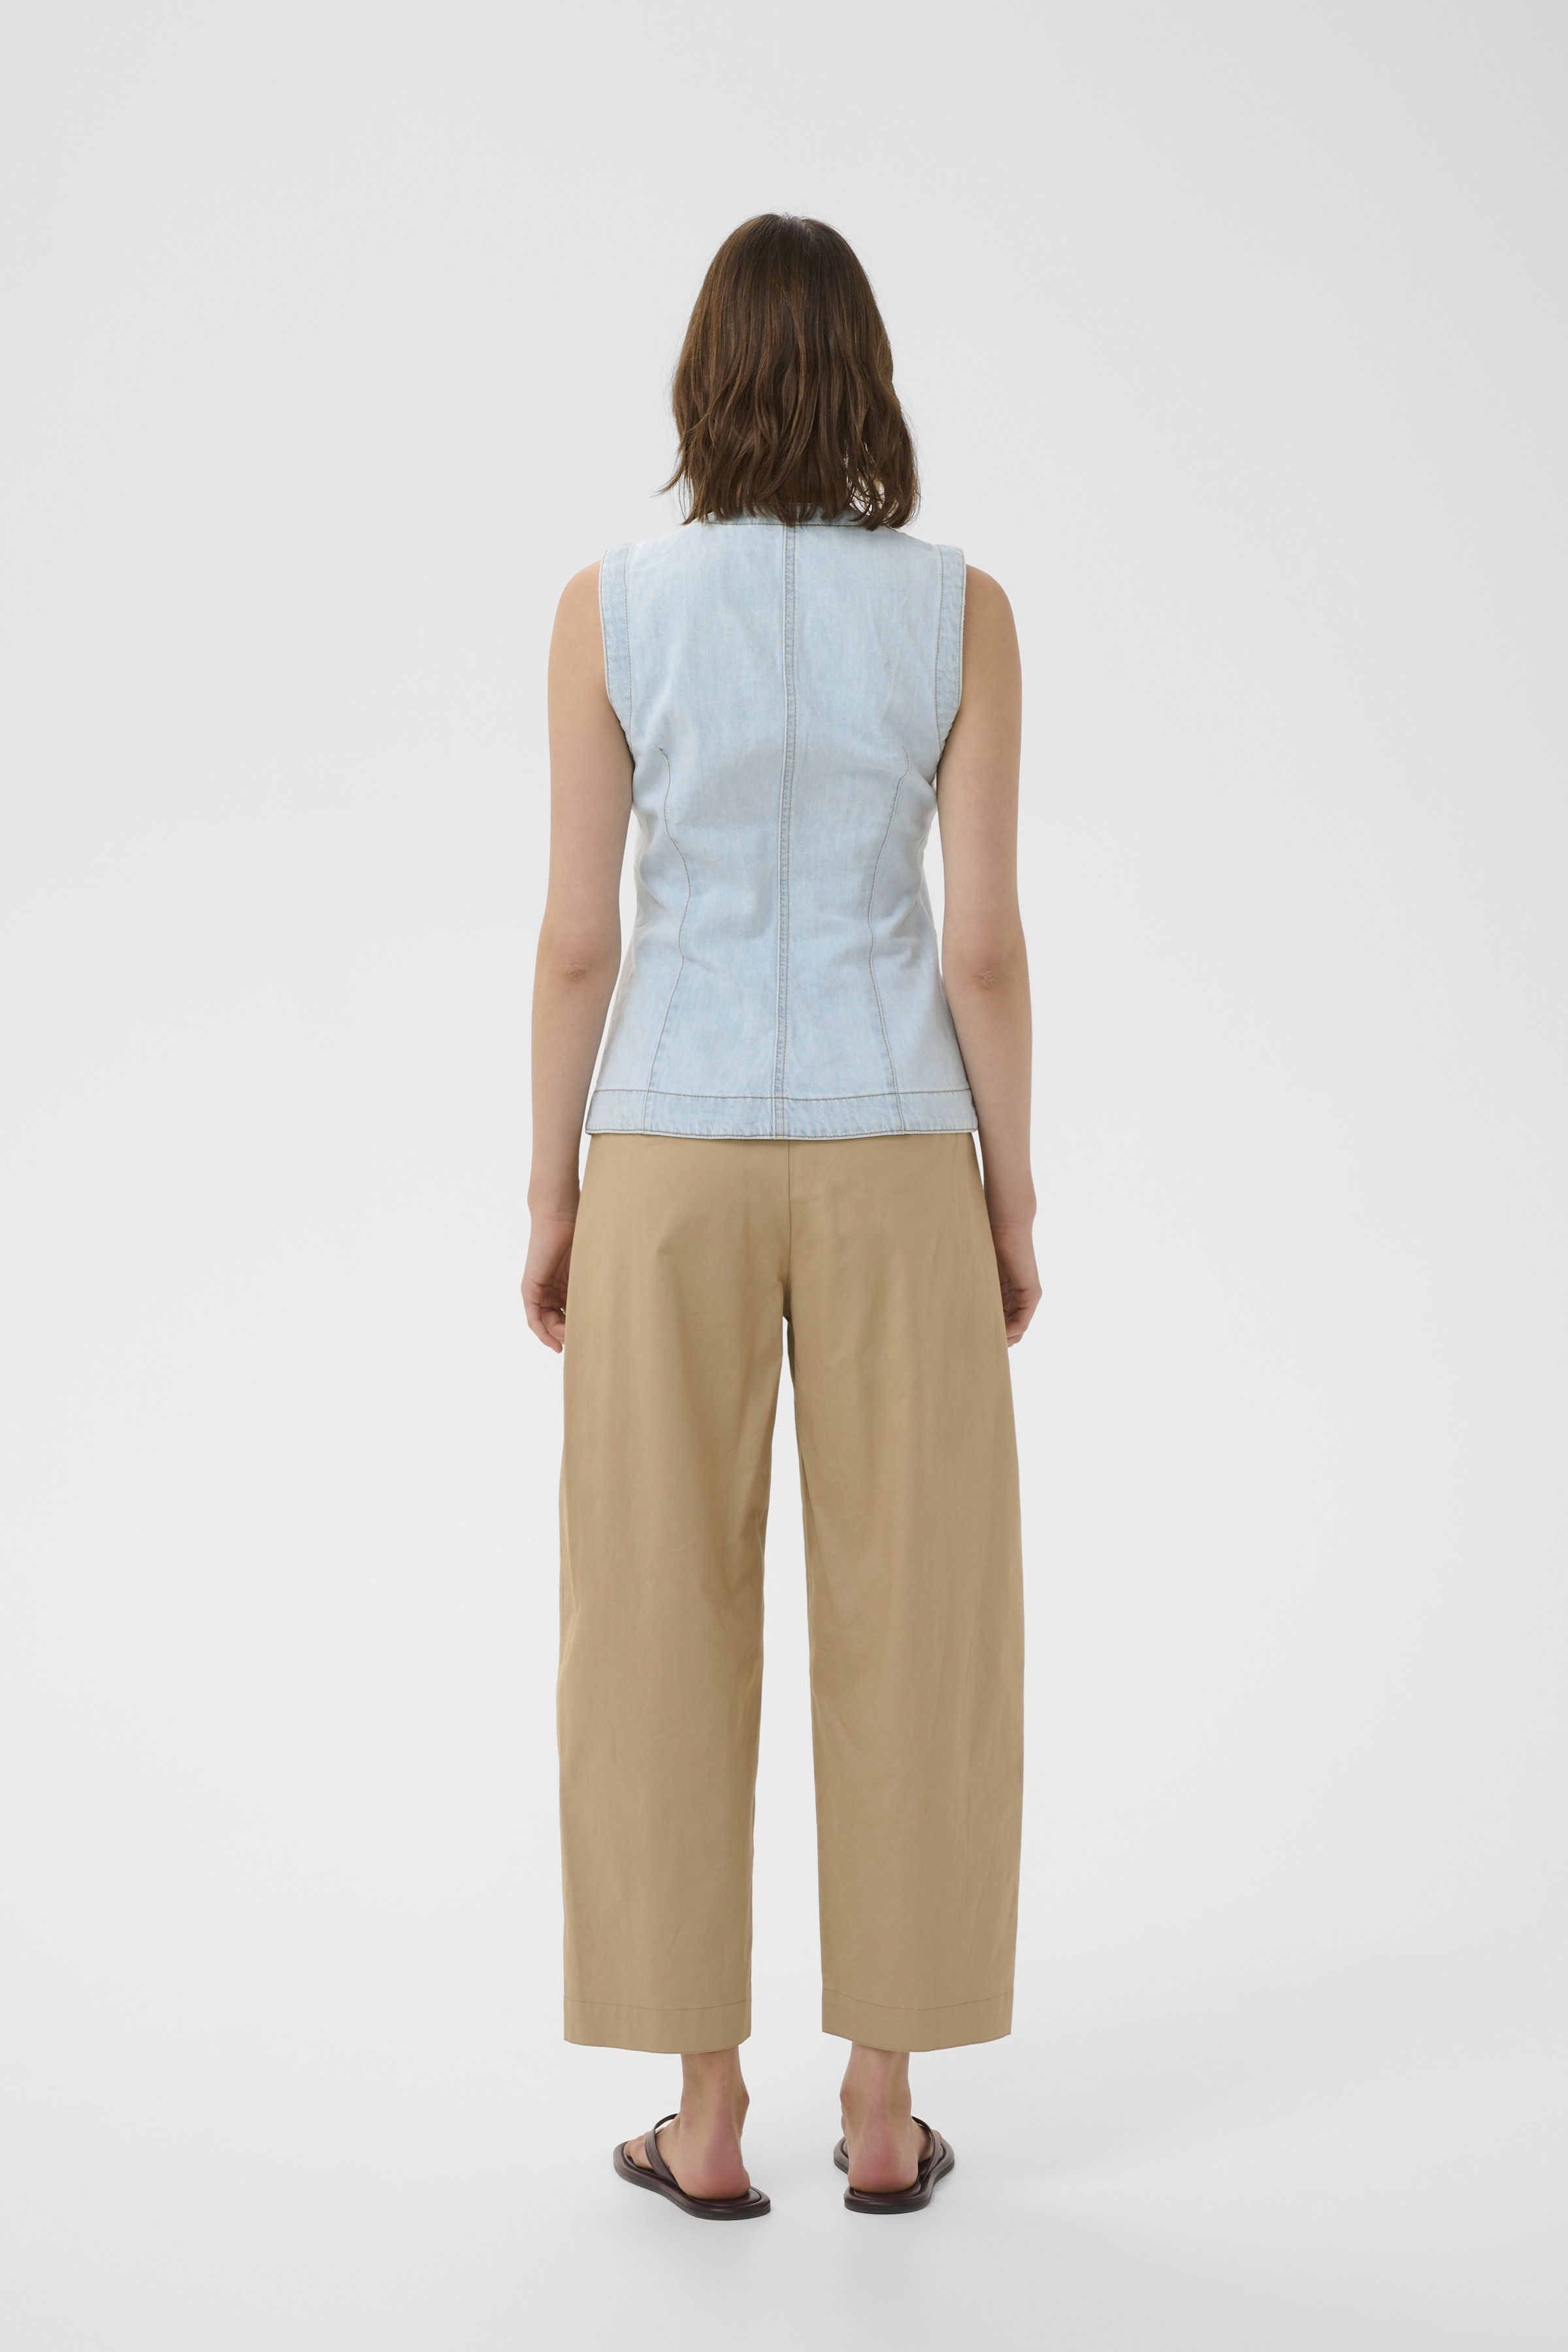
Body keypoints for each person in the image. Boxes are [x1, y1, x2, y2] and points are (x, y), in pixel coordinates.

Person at [523, 214, 1036, 2219]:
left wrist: (551, 1185)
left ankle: (709, 2108)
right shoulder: (964, 613)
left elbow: (581, 937)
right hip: (902, 1142)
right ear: (868, 381)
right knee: (921, 1616)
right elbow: (978, 944)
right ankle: (885, 2110)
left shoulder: (609, 609)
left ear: (704, 380)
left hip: (665, 1146)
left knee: (654, 1609)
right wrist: (1010, 1191)